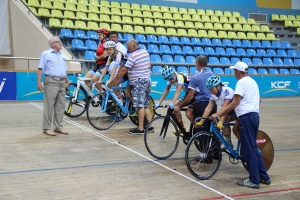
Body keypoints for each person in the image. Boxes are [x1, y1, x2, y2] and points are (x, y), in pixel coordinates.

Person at [210, 61, 271, 189]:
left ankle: (254, 180)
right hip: (254, 116)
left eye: (234, 71)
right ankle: (264, 177)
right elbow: (259, 100)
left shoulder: (241, 82)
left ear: (238, 71)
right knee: (253, 147)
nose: (234, 73)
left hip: (247, 118)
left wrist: (218, 114)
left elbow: (234, 103)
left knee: (249, 149)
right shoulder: (253, 82)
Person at [109, 39, 152, 134]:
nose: (128, 49)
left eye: (128, 47)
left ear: (134, 46)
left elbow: (124, 70)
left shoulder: (133, 56)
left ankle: (141, 128)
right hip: (147, 80)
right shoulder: (145, 52)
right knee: (145, 105)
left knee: (140, 106)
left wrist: (114, 80)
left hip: (138, 82)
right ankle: (150, 126)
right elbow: (149, 65)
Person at [174, 55, 216, 134]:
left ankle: (196, 130)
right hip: (212, 103)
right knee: (210, 127)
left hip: (200, 104)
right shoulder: (211, 74)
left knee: (190, 115)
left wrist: (180, 106)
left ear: (197, 63)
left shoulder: (195, 77)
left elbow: (190, 96)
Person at [37, 36, 69, 136]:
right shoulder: (46, 54)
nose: (61, 43)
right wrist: (38, 82)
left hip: (61, 82)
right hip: (51, 81)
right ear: (52, 44)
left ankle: (58, 127)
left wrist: (66, 80)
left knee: (60, 105)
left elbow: (63, 69)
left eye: (60, 41)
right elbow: (40, 69)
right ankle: (47, 127)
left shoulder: (62, 55)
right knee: (49, 105)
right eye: (58, 42)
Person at [196, 76, 239, 149]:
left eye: (212, 88)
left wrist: (221, 121)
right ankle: (228, 144)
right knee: (224, 123)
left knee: (228, 124)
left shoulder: (227, 91)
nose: (211, 91)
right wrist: (201, 121)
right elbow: (208, 107)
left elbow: (225, 107)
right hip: (230, 111)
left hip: (238, 111)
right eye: (209, 89)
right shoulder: (213, 95)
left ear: (218, 86)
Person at [155, 65, 193, 133]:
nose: (171, 81)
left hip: (193, 94)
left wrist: (172, 102)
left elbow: (178, 91)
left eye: (172, 78)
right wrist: (159, 103)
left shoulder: (180, 76)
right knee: (174, 109)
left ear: (174, 74)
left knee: (176, 106)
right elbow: (166, 91)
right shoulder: (170, 79)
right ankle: (182, 128)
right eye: (169, 80)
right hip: (188, 93)